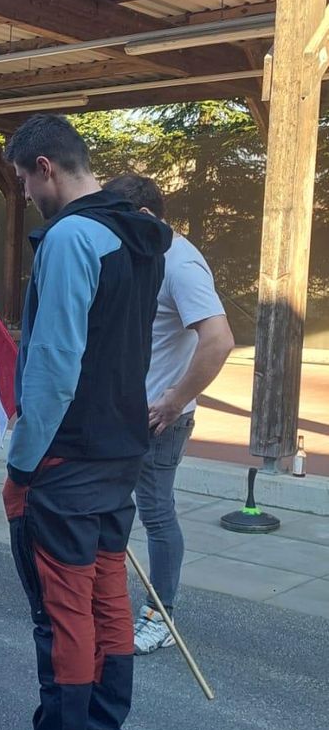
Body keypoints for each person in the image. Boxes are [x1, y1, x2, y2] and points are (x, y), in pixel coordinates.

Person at [0, 115, 169, 730]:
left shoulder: (73, 236)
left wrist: (21, 465)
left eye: (23, 177)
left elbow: (51, 365)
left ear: (45, 166)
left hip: (68, 456)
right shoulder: (138, 236)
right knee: (107, 597)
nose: (26, 190)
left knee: (64, 614)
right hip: (118, 451)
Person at [105, 173, 234, 653]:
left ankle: (160, 616)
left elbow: (219, 340)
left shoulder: (180, 262)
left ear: (141, 218)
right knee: (109, 507)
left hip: (159, 420)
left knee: (156, 515)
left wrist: (176, 399)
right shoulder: (143, 255)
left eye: (115, 222)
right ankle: (107, 604)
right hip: (121, 413)